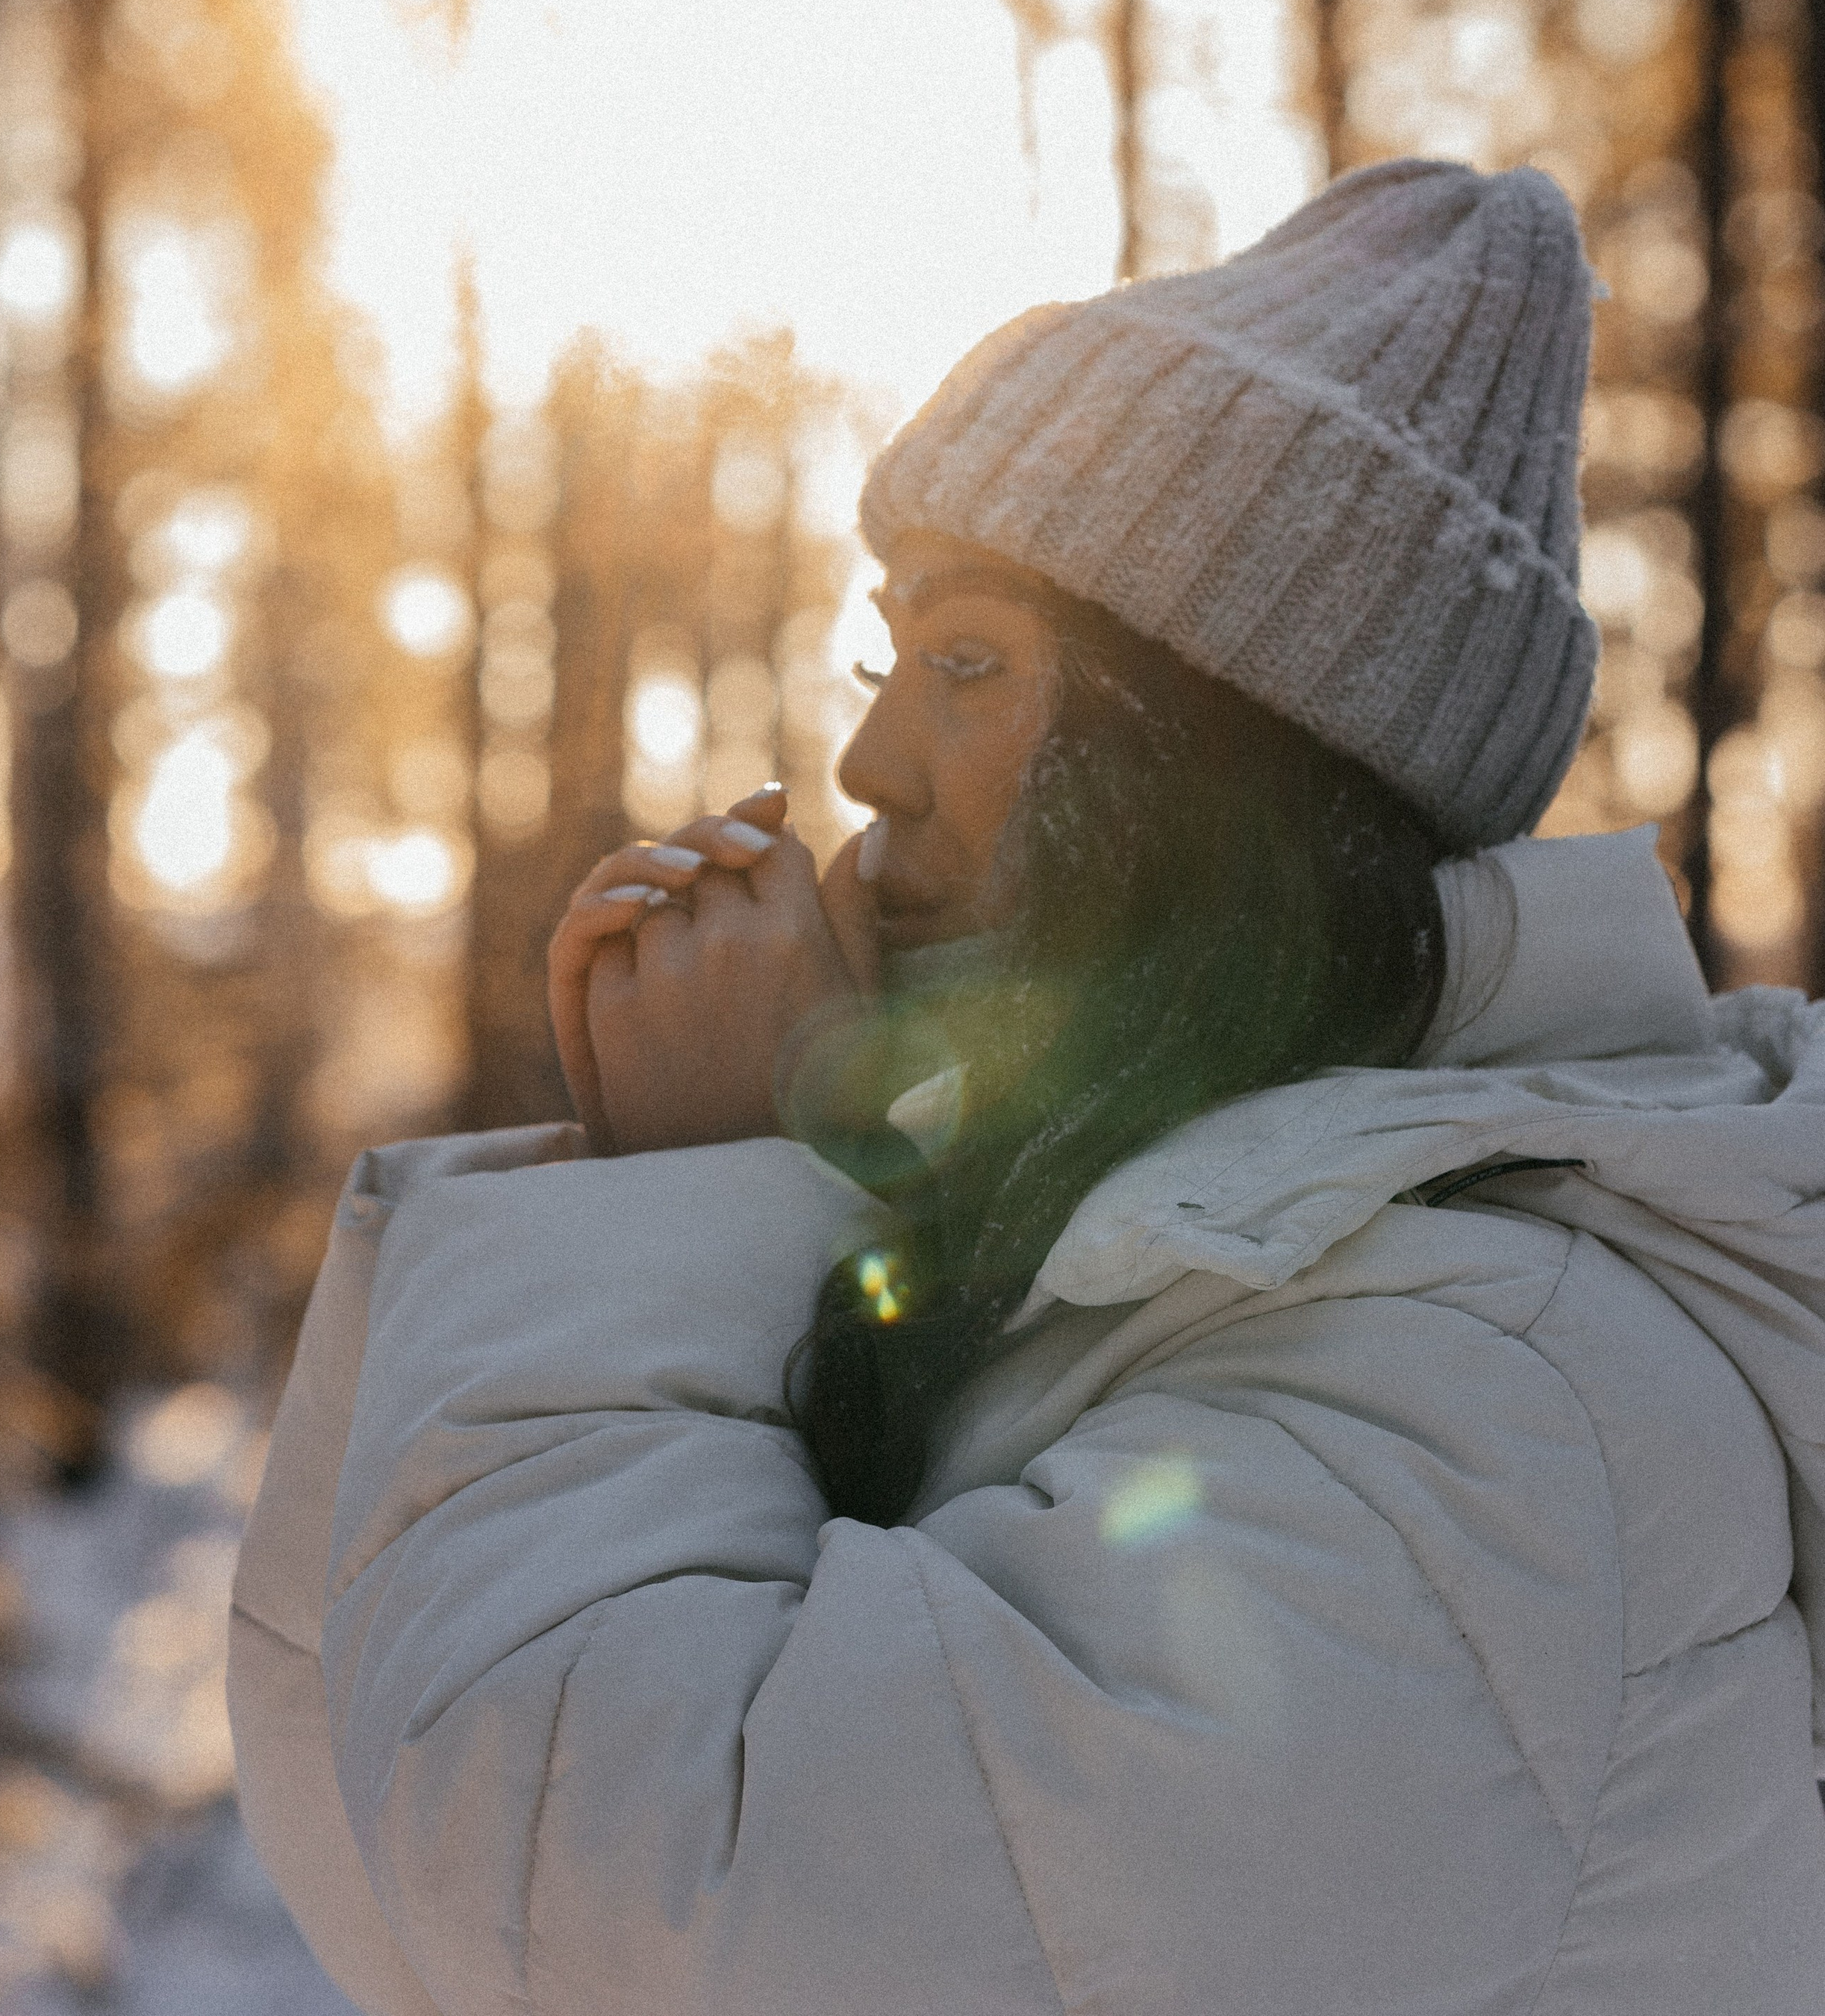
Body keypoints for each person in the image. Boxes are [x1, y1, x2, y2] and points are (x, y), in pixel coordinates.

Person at [229, 158, 1825, 2015]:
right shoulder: (1161, 1264)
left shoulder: (1481, 1421)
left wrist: (681, 1195)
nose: (862, 759)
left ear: (1231, 757)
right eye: (881, 653)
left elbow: (634, 1918)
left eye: (971, 663)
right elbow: (434, 1881)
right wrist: (763, 1196)